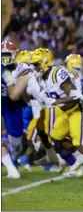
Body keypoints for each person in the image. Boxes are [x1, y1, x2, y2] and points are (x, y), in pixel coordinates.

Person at [30, 48, 83, 181]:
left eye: (36, 64)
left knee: (81, 144)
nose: (35, 67)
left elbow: (74, 97)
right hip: (66, 111)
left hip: (77, 110)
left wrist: (55, 101)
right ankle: (78, 160)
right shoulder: (42, 79)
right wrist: (51, 101)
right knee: (55, 137)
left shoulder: (57, 73)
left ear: (45, 62)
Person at [1, 41, 25, 178]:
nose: (4, 58)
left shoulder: (20, 69)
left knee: (16, 138)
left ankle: (14, 158)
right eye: (2, 55)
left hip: (13, 105)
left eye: (7, 55)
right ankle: (9, 163)